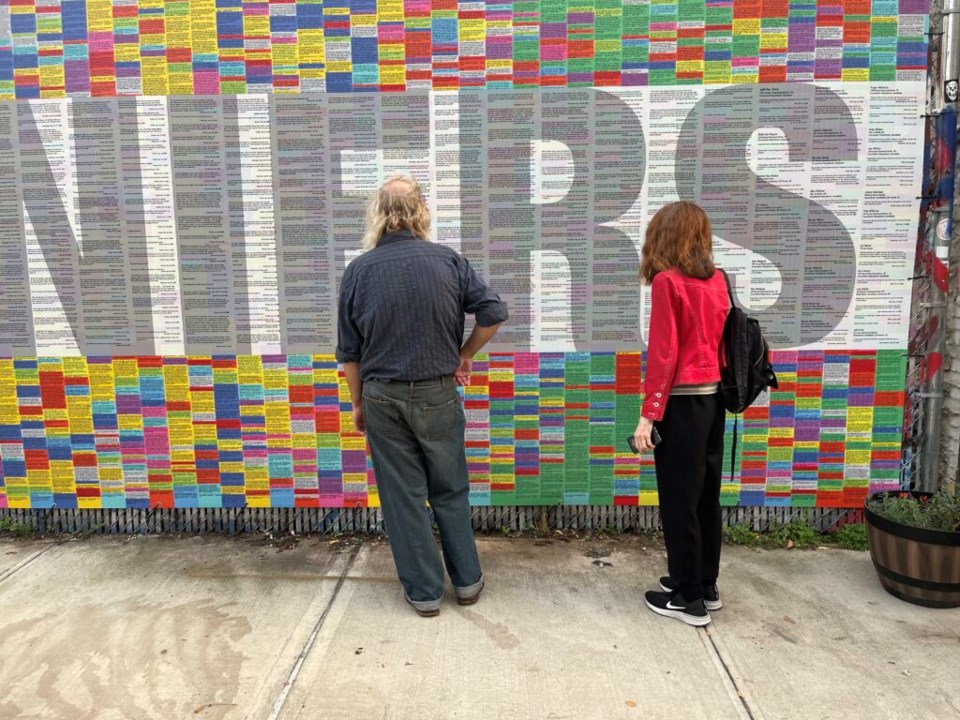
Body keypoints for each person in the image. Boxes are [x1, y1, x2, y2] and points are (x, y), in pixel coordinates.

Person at [336, 175, 508, 617]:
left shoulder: (358, 271)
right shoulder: (448, 261)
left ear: (378, 214)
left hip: (382, 397)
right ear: (420, 212)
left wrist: (357, 404)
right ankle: (468, 582)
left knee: (403, 496)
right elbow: (493, 312)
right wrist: (464, 355)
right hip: (438, 392)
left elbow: (349, 354)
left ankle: (425, 593)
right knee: (450, 488)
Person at [633, 201, 729, 627]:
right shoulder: (719, 280)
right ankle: (704, 585)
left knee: (678, 501)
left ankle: (686, 600)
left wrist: (648, 415)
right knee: (705, 496)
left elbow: (665, 353)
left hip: (682, 403)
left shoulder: (667, 283)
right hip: (713, 400)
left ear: (663, 236)